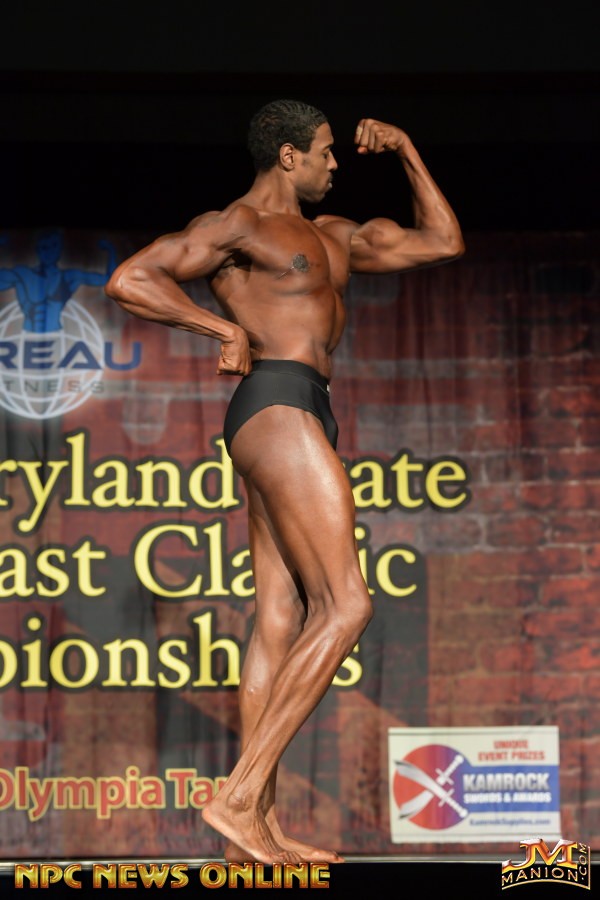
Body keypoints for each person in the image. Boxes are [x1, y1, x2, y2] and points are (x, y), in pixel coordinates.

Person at [105, 98, 464, 865]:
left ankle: (254, 830)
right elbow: (132, 279)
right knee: (347, 603)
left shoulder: (335, 237)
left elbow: (443, 241)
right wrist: (220, 328)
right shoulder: (239, 226)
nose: (336, 164)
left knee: (278, 615)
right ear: (288, 155)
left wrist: (406, 147)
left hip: (306, 406)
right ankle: (238, 796)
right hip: (273, 402)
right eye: (326, 152)